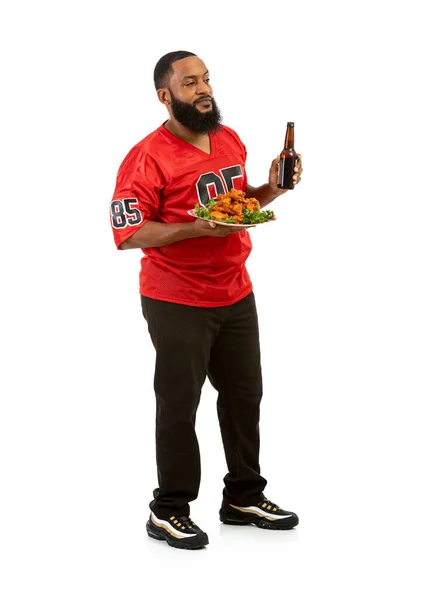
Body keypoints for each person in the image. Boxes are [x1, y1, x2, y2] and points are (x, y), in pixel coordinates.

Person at [110, 50, 303, 550]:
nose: (202, 90)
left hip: (235, 288)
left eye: (206, 79)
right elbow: (128, 233)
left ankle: (243, 496)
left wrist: (274, 189)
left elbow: (240, 205)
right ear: (165, 95)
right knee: (180, 403)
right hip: (176, 296)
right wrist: (193, 228)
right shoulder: (146, 156)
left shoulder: (229, 137)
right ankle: (168, 510)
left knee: (244, 396)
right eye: (189, 82)